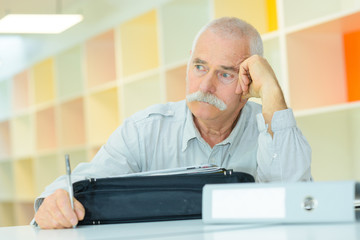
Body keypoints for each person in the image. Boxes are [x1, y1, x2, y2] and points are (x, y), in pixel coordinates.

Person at [33, 17, 312, 229]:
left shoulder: (271, 128)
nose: (205, 86)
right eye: (199, 66)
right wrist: (54, 202)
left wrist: (273, 94)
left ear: (248, 82)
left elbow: (296, 199)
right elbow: (86, 184)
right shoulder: (145, 130)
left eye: (226, 74)